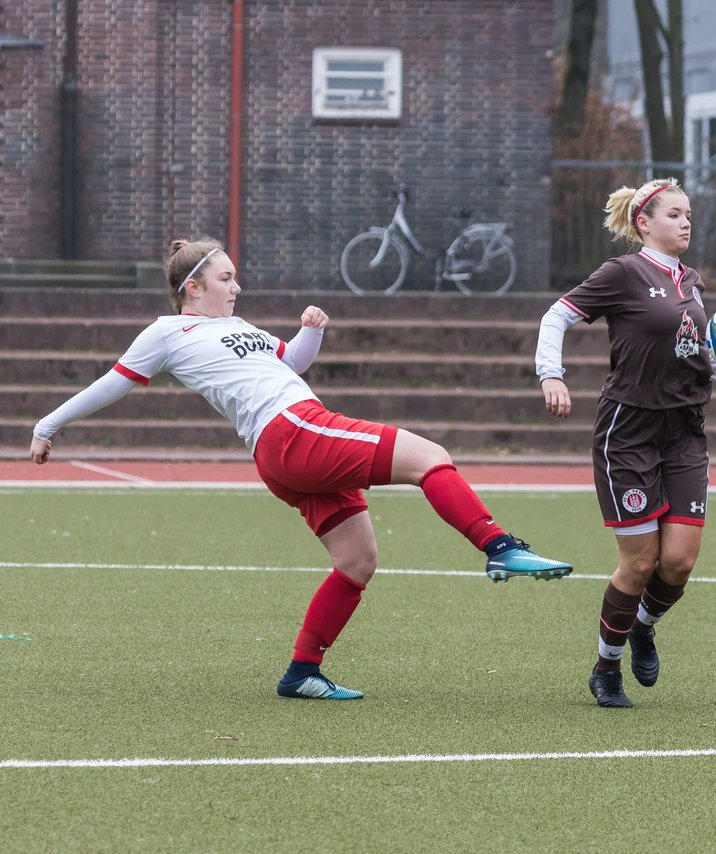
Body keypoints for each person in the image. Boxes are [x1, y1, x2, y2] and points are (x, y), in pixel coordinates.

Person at [30, 237, 572, 701]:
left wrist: (310, 331)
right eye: (226, 277)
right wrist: (48, 425)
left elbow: (290, 361)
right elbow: (113, 382)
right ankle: (499, 547)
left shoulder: (237, 324)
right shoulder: (167, 331)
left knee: (357, 561)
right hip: (295, 430)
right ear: (193, 287)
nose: (236, 286)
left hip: (284, 451)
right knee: (429, 457)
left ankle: (302, 672)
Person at [535, 177, 716, 708]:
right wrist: (551, 375)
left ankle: (642, 626)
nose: (686, 221)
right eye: (675, 214)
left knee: (679, 561)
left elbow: (689, 338)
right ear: (643, 224)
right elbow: (556, 315)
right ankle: (606, 667)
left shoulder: (690, 280)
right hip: (629, 433)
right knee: (640, 561)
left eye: (689, 213)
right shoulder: (623, 272)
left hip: (686, 431)